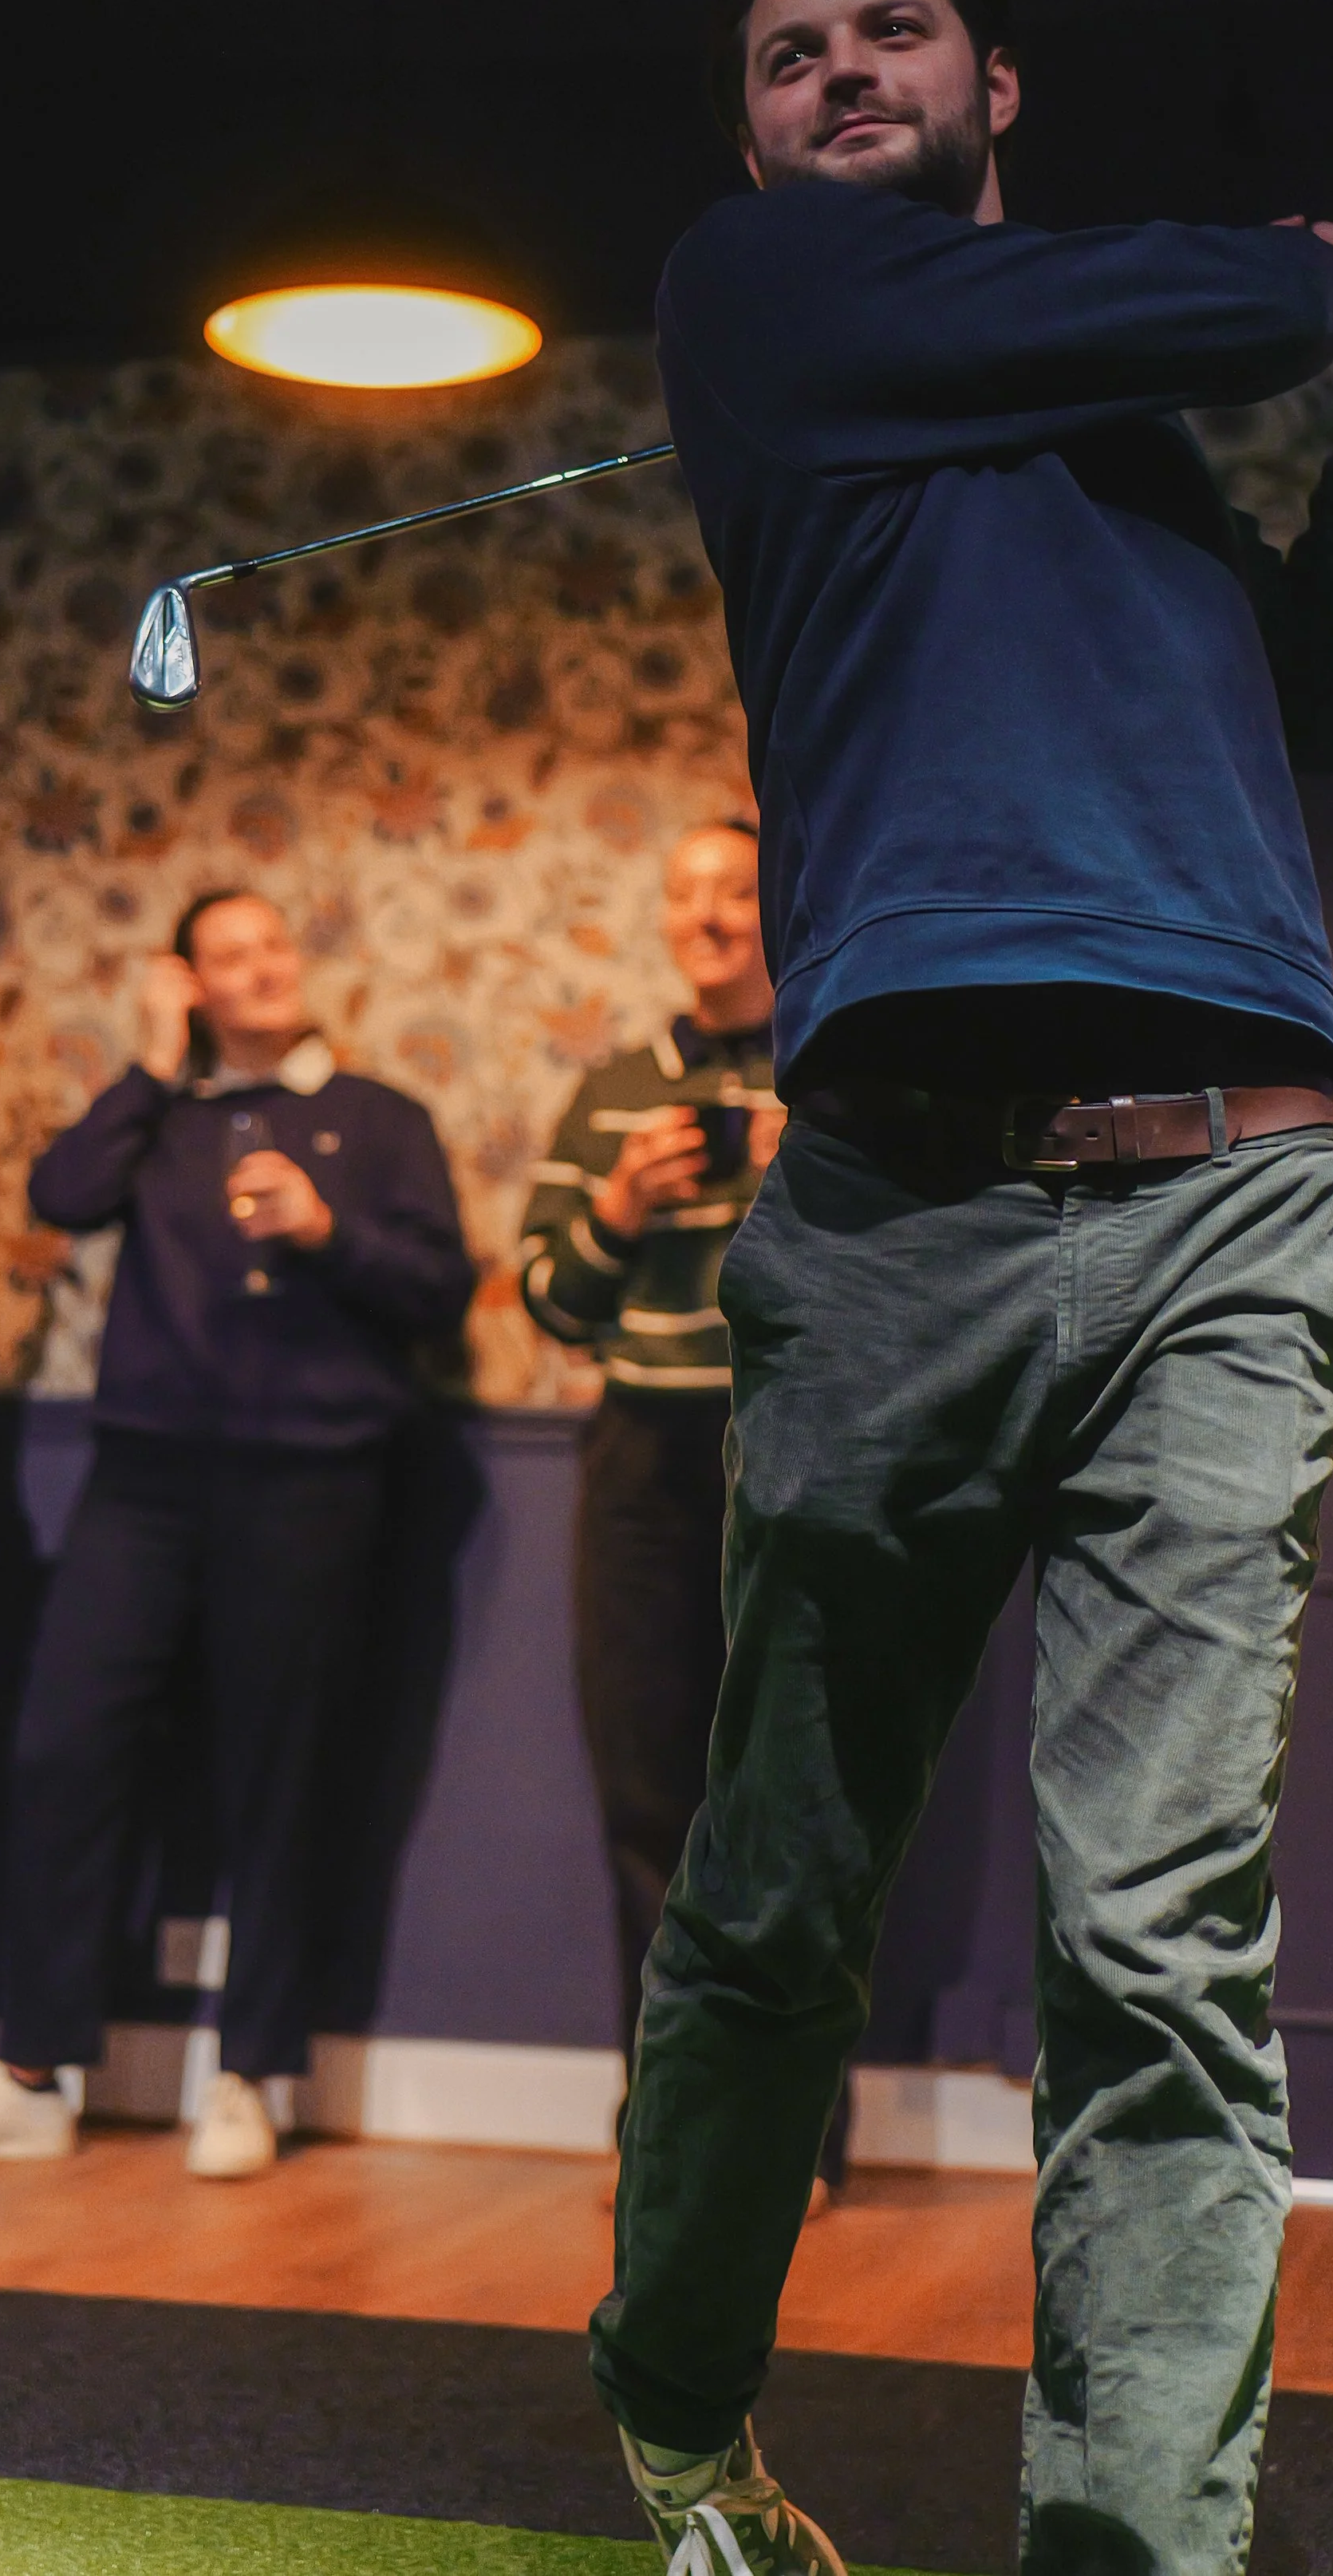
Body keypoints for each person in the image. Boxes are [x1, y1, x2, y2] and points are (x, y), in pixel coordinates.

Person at [589, 0, 1333, 2576]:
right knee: (775, 1903)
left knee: (1162, 1945)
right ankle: (676, 2410)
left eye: (895, 29)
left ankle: (1132, 2549)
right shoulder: (766, 301)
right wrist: (1319, 278)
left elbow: (1319, 691)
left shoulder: (1117, 435)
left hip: (1228, 1207)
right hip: (896, 1225)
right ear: (755, 133)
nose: (842, 71)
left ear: (995, 80)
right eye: (792, 52)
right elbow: (1202, 304)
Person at [0, 887, 474, 2181]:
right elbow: (62, 1191)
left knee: (280, 1774)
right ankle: (35, 2063)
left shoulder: (381, 1117)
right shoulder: (161, 1118)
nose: (262, 967)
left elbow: (439, 1289)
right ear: (188, 982)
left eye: (273, 945)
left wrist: (326, 1228)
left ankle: (251, 2074)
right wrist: (146, 1059)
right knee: (64, 1745)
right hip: (142, 1479)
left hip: (313, 1483)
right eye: (228, 955)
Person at [521, 824, 850, 2171]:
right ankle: (664, 2121)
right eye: (683, 892)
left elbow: (909, 1275)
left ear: (780, 904)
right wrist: (617, 1208)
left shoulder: (833, 1075)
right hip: (642, 1466)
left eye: (733, 889)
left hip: (799, 1452)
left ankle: (795, 2134)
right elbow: (551, 1299)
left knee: (794, 1800)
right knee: (648, 1797)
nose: (707, 912)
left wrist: (805, 1173)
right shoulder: (613, 1090)